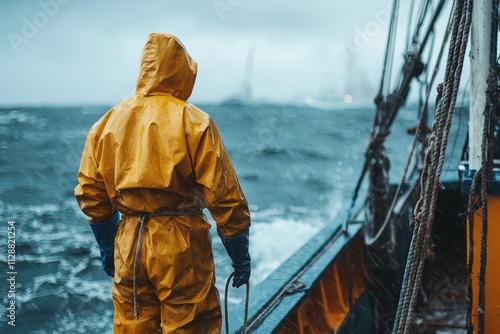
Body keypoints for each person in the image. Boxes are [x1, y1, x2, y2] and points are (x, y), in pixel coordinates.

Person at [74, 32, 251, 333]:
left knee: (132, 323)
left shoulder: (106, 123)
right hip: (180, 243)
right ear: (182, 71)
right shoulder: (194, 121)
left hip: (129, 241)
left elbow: (91, 193)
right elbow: (224, 197)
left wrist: (107, 245)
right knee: (189, 323)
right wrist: (240, 254)